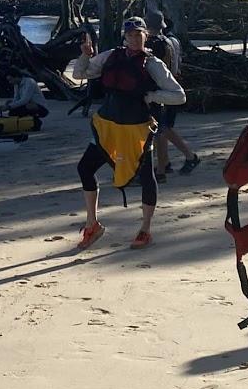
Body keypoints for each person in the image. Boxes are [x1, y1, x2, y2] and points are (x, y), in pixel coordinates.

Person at [70, 17, 186, 250]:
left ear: (146, 36)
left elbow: (179, 95)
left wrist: (152, 96)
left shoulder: (153, 64)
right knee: (85, 168)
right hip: (108, 126)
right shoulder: (111, 56)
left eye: (138, 34)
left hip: (137, 129)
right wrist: (85, 54)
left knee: (145, 177)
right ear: (125, 36)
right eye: (130, 34)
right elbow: (80, 74)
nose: (134, 38)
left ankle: (145, 229)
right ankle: (93, 224)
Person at [147, 13, 199, 180]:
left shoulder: (152, 44)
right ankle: (169, 163)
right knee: (164, 128)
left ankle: (166, 166)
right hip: (173, 87)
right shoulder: (172, 41)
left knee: (161, 129)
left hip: (162, 91)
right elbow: (177, 68)